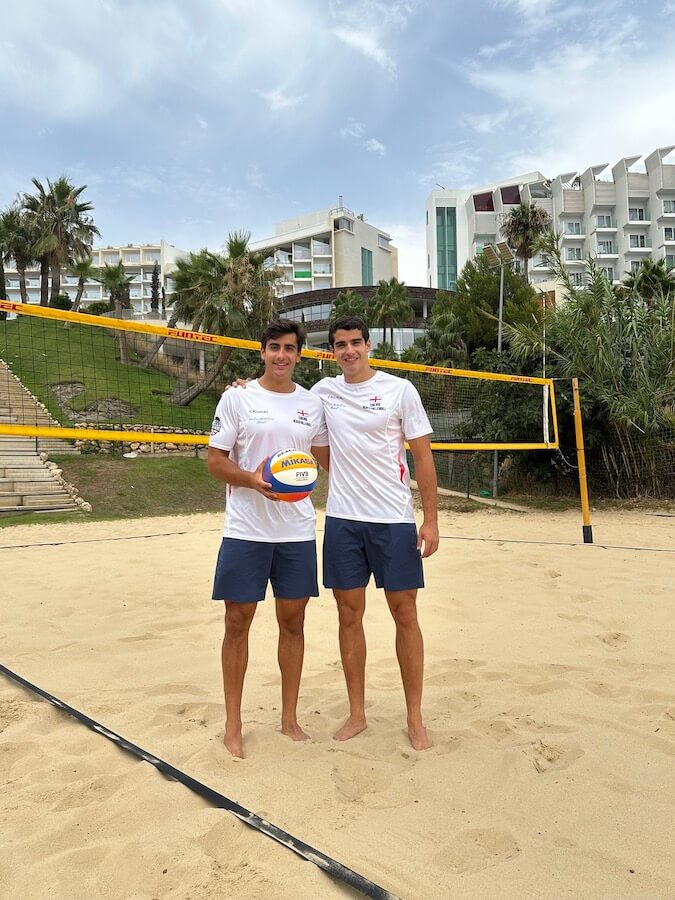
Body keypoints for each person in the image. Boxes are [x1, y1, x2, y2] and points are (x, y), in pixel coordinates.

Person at [310, 316, 439, 751]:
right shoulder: (324, 392)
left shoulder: (400, 390)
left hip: (393, 519)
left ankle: (415, 718)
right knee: (349, 615)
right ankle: (357, 713)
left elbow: (422, 457)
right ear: (331, 351)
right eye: (340, 345)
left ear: (369, 346)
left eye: (355, 343)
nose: (349, 351)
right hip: (344, 520)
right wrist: (241, 387)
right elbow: (286, 406)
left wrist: (432, 519)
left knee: (405, 614)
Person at [208, 319, 328, 758]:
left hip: (295, 532)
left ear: (299, 355)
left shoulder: (312, 404)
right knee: (237, 622)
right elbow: (215, 462)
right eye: (274, 347)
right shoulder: (238, 397)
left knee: (293, 623)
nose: (281, 355)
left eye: (290, 349)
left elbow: (328, 456)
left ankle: (289, 718)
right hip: (246, 531)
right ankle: (233, 724)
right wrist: (250, 479)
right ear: (262, 352)